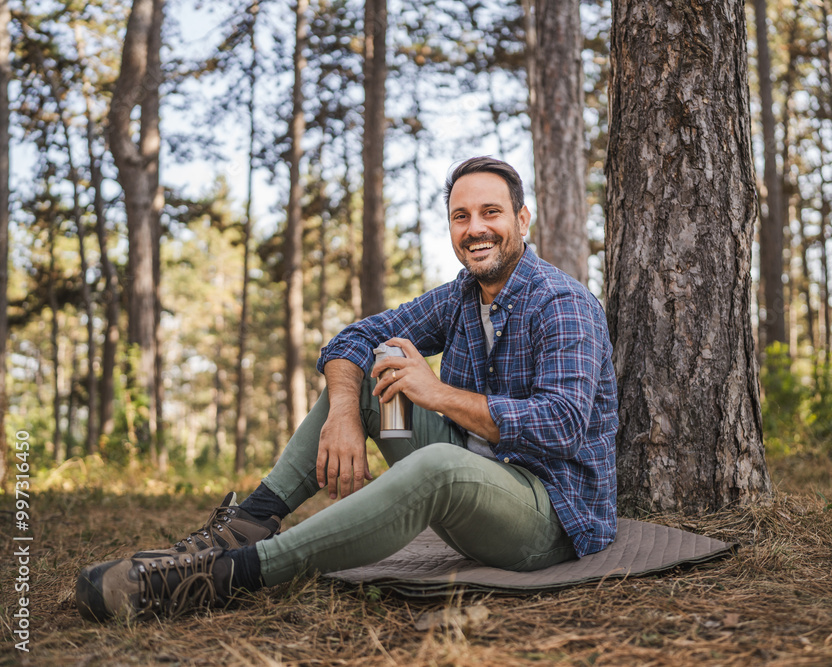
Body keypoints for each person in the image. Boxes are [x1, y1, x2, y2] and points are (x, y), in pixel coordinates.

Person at [76, 156, 619, 622]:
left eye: (491, 213)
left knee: (432, 461)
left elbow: (561, 427)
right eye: (461, 216)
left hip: (548, 517)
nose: (475, 228)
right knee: (377, 371)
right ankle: (245, 526)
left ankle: (223, 576)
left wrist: (438, 395)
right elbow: (355, 338)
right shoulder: (460, 296)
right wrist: (343, 412)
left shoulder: (561, 302)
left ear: (522, 219)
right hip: (473, 485)